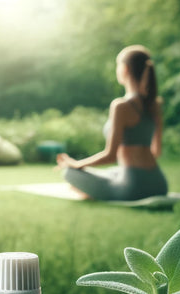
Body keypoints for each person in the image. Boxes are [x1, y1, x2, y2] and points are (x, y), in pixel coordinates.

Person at [56, 45, 168, 201]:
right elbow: (156, 152)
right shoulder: (154, 105)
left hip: (133, 188)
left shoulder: (121, 106)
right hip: (159, 184)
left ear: (125, 69)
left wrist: (76, 164)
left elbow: (110, 155)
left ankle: (90, 188)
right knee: (113, 172)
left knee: (69, 173)